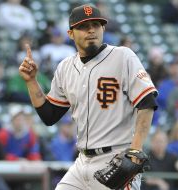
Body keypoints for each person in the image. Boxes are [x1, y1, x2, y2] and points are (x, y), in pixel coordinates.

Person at [19, 4, 158, 190]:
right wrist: (31, 81)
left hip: (116, 158)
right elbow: (49, 115)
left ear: (104, 29)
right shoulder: (65, 67)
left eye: (96, 24)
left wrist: (135, 150)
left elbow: (147, 102)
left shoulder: (123, 56)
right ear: (70, 34)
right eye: (84, 26)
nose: (91, 29)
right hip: (82, 161)